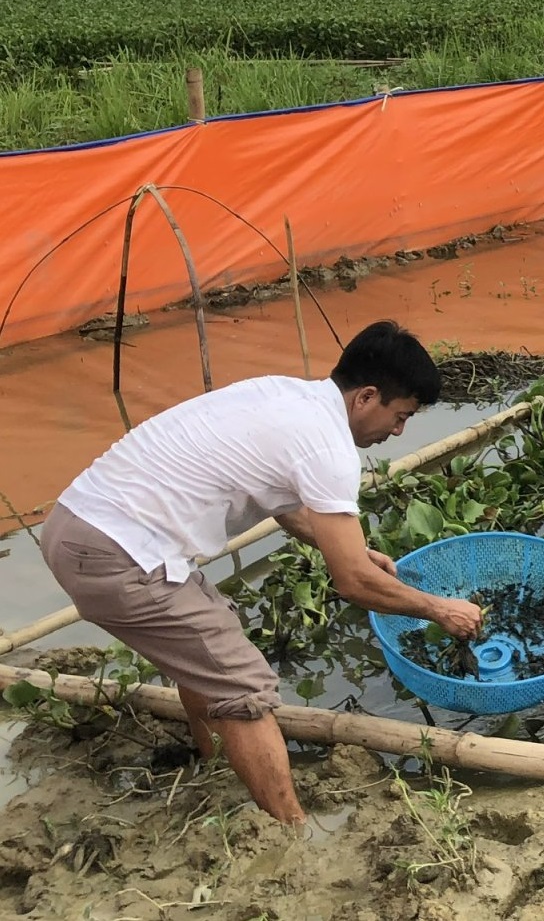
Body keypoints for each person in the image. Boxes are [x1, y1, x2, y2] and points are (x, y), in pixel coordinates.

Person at [37, 319, 483, 825]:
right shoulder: (329, 447)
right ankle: (291, 833)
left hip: (75, 526)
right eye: (399, 416)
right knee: (244, 685)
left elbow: (281, 502)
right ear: (367, 397)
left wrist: (346, 550)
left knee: (209, 635)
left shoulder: (281, 394)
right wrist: (437, 608)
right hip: (118, 554)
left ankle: (213, 761)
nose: (397, 432)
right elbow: (352, 583)